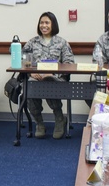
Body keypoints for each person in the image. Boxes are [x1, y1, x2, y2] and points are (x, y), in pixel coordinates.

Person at [23, 11, 75, 140]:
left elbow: (69, 63)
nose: (43, 25)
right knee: (29, 86)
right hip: (36, 77)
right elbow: (22, 60)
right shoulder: (32, 42)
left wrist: (53, 73)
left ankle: (59, 119)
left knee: (49, 80)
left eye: (47, 22)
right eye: (41, 22)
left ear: (53, 25)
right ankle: (39, 123)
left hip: (56, 78)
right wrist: (31, 72)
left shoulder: (62, 42)